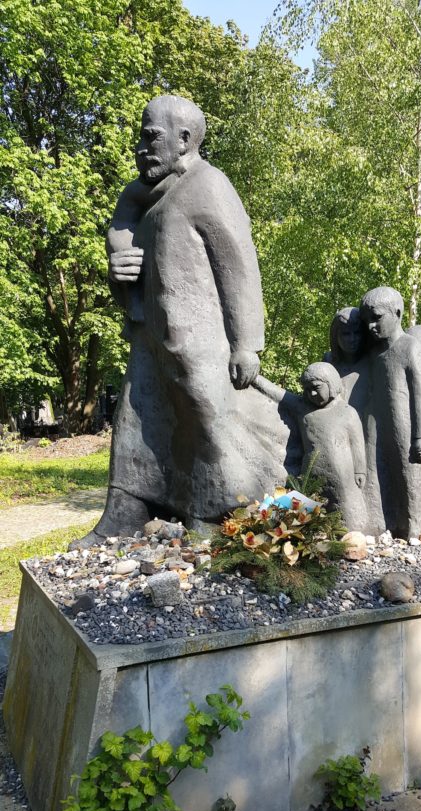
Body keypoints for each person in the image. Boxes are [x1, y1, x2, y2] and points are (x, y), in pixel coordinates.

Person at [76, 95, 298, 543]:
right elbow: (122, 222)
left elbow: (238, 266)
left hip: (200, 346)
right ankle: (127, 510)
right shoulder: (146, 196)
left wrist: (246, 343)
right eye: (141, 136)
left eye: (151, 137)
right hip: (151, 339)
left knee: (206, 424)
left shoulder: (208, 185)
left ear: (184, 140)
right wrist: (118, 260)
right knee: (136, 422)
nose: (141, 147)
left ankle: (215, 515)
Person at [253, 363, 367, 530]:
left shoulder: (347, 412)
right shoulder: (303, 408)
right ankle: (308, 535)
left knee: (347, 508)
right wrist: (255, 378)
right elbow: (279, 394)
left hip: (343, 475)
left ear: (331, 384)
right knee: (305, 506)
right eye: (307, 389)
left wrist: (360, 470)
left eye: (316, 388)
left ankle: (353, 532)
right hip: (310, 471)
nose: (312, 393)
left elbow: (357, 443)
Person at [359, 286, 421, 539]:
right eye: (366, 320)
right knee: (378, 471)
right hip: (376, 422)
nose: (370, 326)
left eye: (376, 318)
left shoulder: (410, 347)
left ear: (398, 313)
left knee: (408, 474)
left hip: (404, 424)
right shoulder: (374, 353)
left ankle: (413, 528)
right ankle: (386, 522)